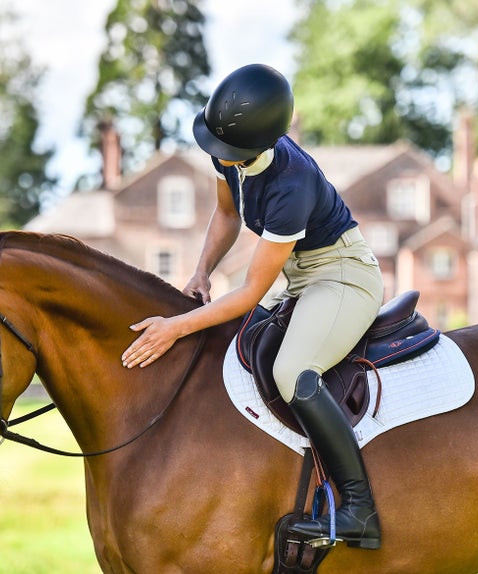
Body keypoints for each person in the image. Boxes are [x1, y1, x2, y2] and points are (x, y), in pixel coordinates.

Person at [121, 63, 384, 549]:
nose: (223, 160)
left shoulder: (292, 185)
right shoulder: (231, 152)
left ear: (261, 142)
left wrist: (174, 326)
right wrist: (200, 272)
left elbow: (247, 293)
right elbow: (225, 214)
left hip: (342, 274)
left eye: (231, 155)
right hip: (298, 275)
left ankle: (358, 508)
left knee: (292, 373)